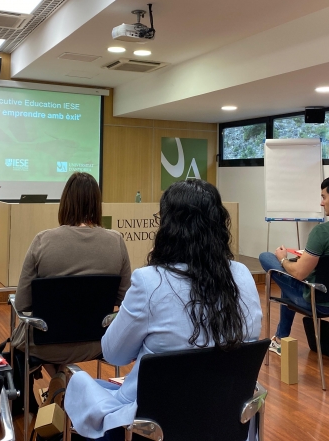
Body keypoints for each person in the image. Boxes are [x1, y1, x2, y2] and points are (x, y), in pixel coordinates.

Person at [65, 179, 262, 441]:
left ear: (168, 227)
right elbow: (251, 337)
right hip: (223, 422)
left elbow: (114, 354)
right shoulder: (243, 276)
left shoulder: (150, 281)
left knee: (78, 386)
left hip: (153, 427)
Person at [12, 172, 132, 404]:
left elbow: (22, 303)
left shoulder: (42, 241)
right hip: (98, 342)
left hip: (46, 344)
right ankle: (65, 382)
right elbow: (125, 297)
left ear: (65, 202)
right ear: (97, 203)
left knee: (18, 343)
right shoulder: (116, 241)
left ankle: (58, 381)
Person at [259, 176, 329, 356]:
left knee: (268, 258)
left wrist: (282, 259)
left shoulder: (322, 231)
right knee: (287, 281)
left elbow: (299, 273)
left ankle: (280, 339)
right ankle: (280, 338)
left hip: (317, 301)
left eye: (324, 197)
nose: (321, 203)